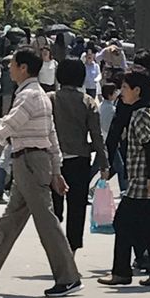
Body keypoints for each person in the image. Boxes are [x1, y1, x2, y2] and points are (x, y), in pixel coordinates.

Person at [0, 46, 82, 298]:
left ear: (23, 68)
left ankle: (68, 277)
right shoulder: (39, 94)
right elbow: (51, 135)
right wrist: (55, 170)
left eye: (12, 65)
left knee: (46, 222)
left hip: (30, 162)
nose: (9, 68)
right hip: (31, 162)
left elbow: (6, 129)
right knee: (10, 222)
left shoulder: (29, 96)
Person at [98, 66, 150, 288]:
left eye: (125, 87)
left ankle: (121, 272)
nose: (121, 92)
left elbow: (148, 145)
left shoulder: (139, 115)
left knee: (122, 223)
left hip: (142, 182)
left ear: (137, 90)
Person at [49, 58, 109, 254]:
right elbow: (97, 134)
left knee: (54, 207)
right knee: (77, 206)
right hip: (80, 160)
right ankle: (72, 247)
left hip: (53, 159)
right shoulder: (88, 101)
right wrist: (103, 161)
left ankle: (56, 246)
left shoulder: (50, 99)